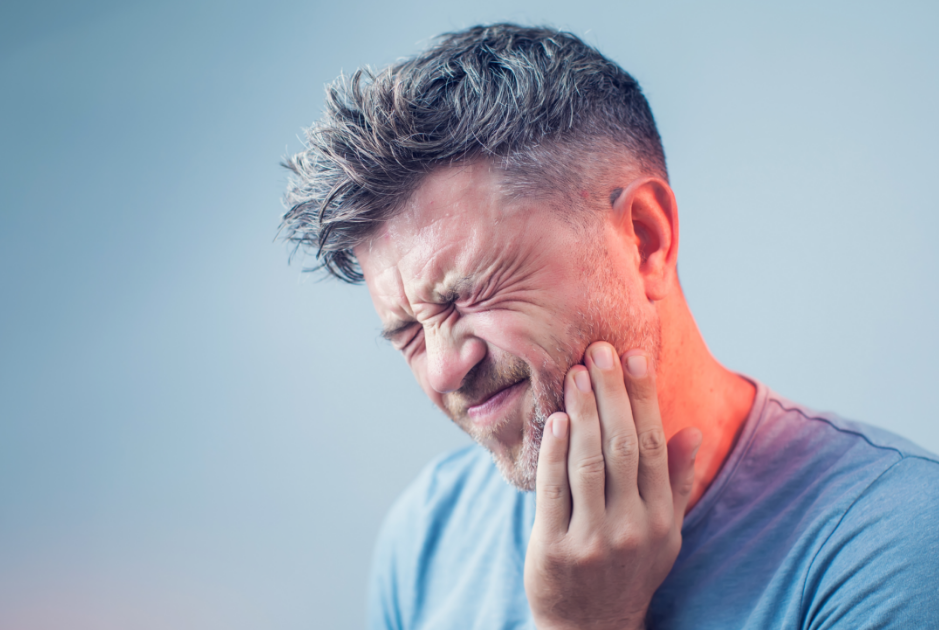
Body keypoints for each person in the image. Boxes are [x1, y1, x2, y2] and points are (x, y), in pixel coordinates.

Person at [280, 23, 939, 630]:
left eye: (466, 296)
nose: (443, 369)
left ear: (645, 240)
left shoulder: (895, 546)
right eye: (407, 334)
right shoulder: (425, 536)